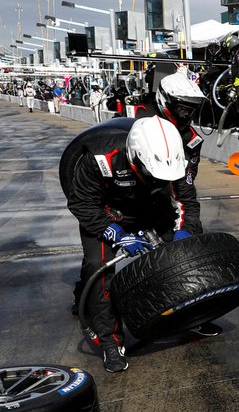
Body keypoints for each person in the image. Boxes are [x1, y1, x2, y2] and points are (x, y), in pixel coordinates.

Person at [66, 116, 202, 373]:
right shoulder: (100, 157)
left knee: (189, 244)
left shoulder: (176, 159)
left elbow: (187, 203)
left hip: (150, 206)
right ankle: (110, 342)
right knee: (99, 267)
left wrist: (184, 233)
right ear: (134, 156)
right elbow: (81, 203)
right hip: (105, 214)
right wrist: (114, 233)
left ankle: (190, 314)